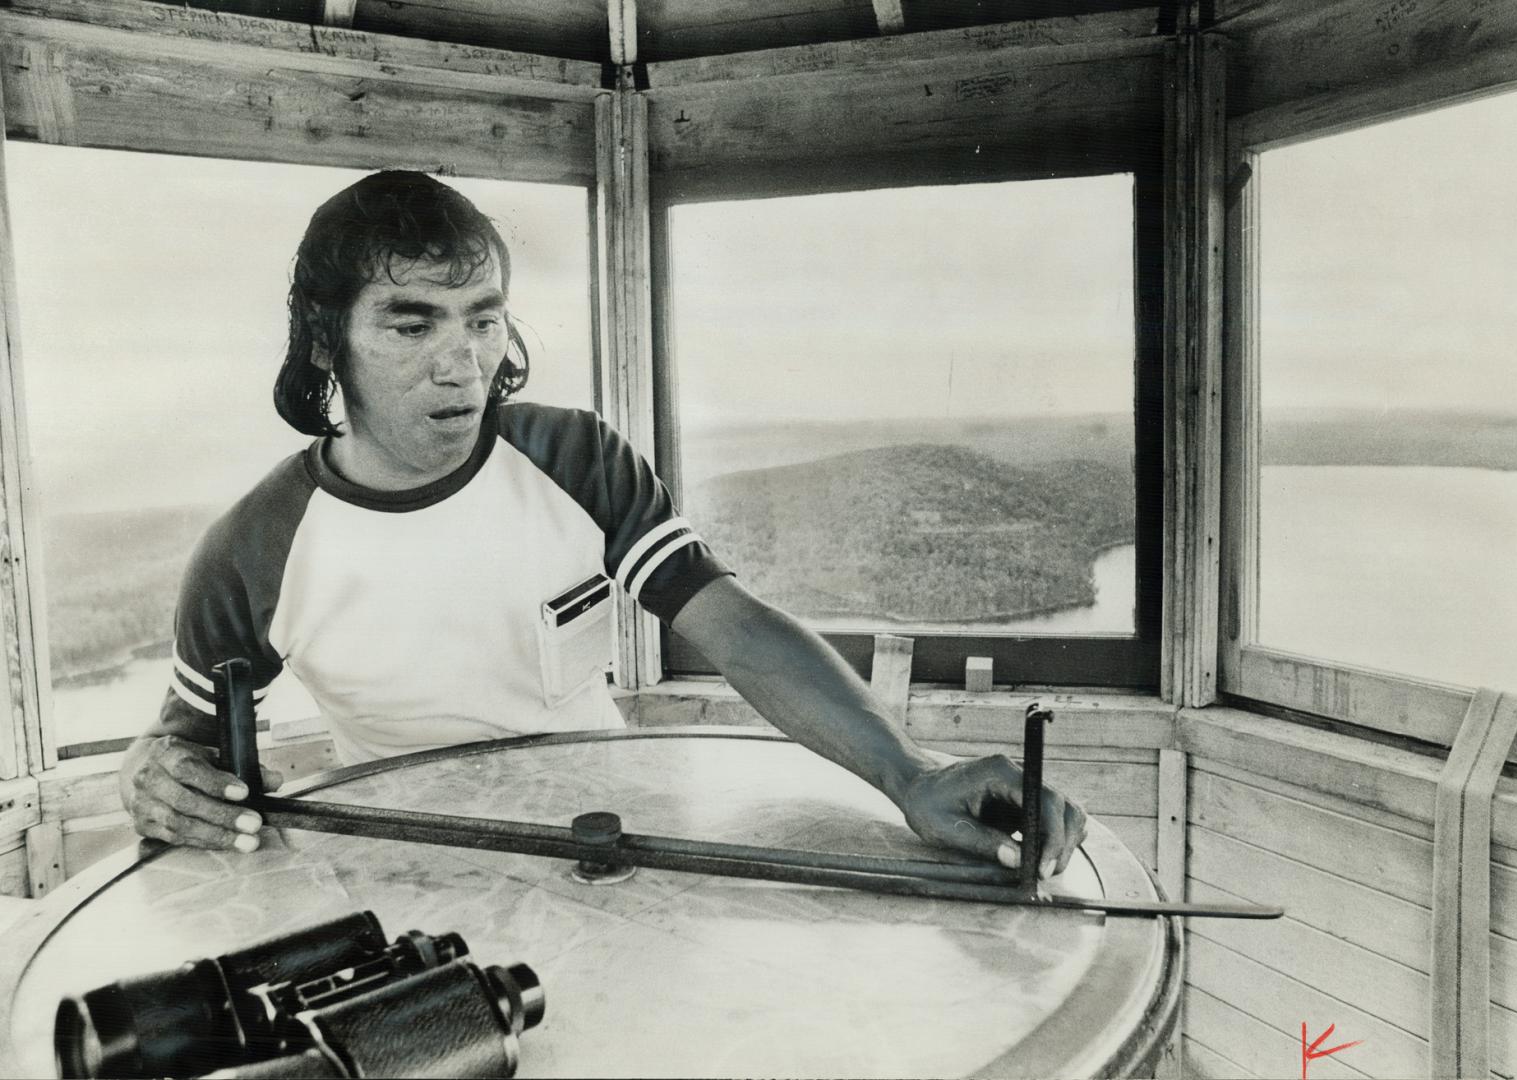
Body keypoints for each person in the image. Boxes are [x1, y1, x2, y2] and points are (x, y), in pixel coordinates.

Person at [118, 170, 1087, 879]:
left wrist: (911, 776)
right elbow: (186, 749)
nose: (463, 364)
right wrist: (155, 776)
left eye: (483, 319)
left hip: (606, 839)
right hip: (403, 857)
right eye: (412, 326)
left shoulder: (574, 459)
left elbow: (734, 627)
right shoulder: (253, 549)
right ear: (327, 339)